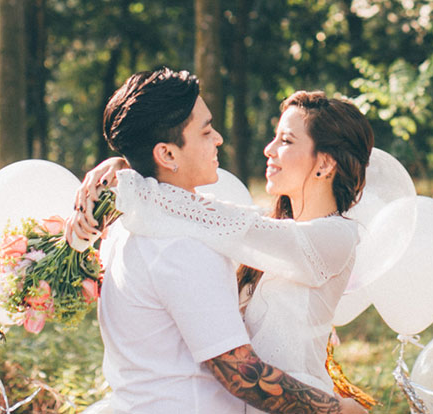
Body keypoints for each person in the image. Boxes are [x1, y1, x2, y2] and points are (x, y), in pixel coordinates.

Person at [68, 67, 366, 414]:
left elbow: (224, 222)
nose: (268, 149)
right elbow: (235, 367)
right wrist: (132, 170)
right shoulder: (198, 239)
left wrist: (133, 178)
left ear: (325, 163)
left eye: (286, 141)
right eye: (207, 130)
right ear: (166, 153)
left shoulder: (333, 237)